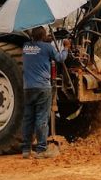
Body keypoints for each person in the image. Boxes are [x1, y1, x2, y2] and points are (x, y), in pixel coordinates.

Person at [21, 26, 71, 159]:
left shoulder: (26, 47)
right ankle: (41, 150)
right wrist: (66, 47)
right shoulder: (47, 48)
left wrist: (43, 40)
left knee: (28, 118)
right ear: (44, 36)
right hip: (43, 88)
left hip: (28, 88)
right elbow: (60, 58)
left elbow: (36, 48)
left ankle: (26, 150)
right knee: (41, 118)